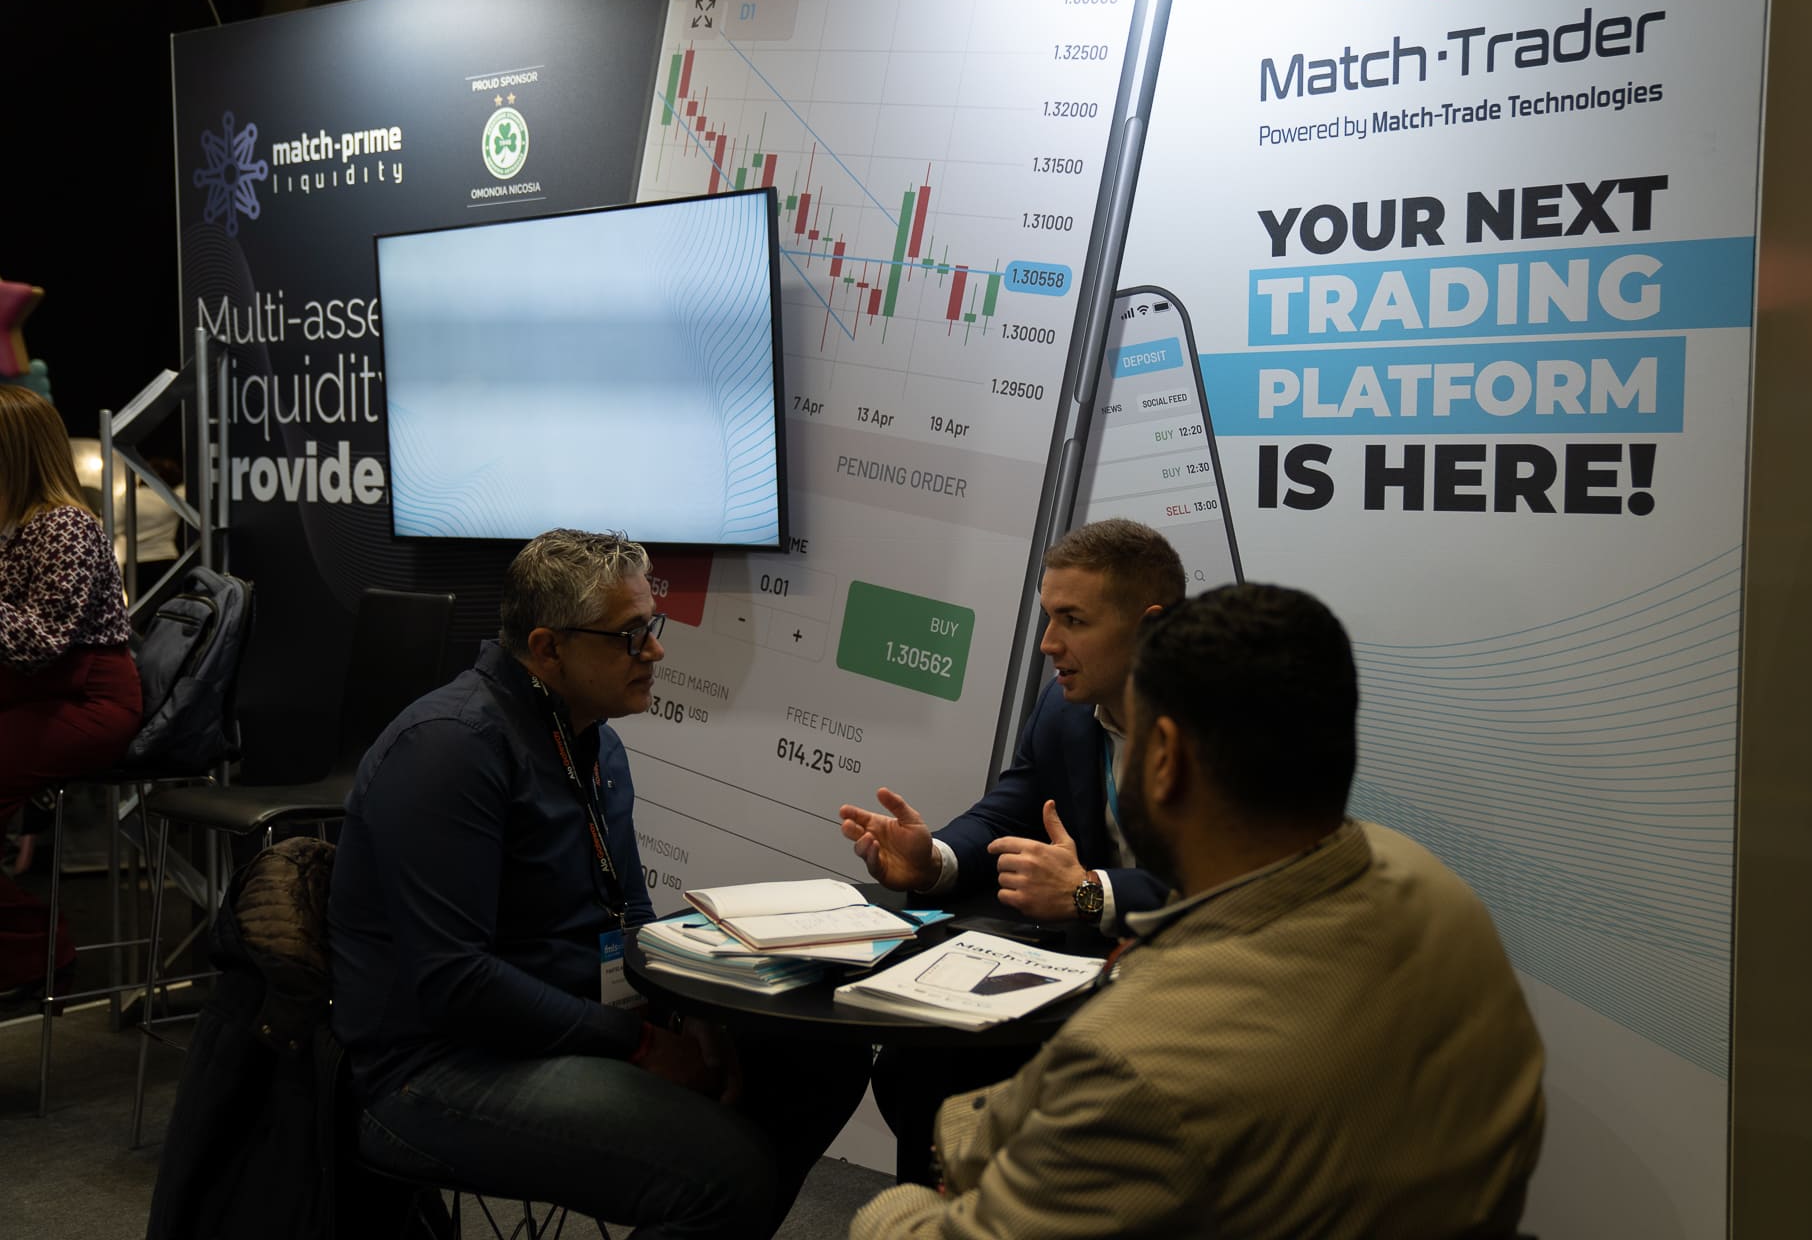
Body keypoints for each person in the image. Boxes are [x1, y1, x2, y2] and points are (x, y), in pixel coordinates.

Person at [851, 584, 1548, 1239]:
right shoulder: (1440, 893)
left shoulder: (1138, 1063)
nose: (1051, 642)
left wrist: (901, 1202)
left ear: (1165, 760)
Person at [328, 528, 868, 1238]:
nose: (655, 652)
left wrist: (692, 1009)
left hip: (562, 1026)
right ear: (548, 648)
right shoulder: (449, 748)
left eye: (652, 627)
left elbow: (629, 917)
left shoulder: (594, 741)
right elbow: (456, 982)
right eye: (629, 635)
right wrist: (638, 1044)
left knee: (821, 1060)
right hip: (434, 1069)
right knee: (724, 1173)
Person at [839, 518, 1184, 1181]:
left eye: (1073, 621)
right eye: (1049, 617)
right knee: (920, 1062)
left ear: (1151, 627)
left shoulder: (1228, 725)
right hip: (1082, 970)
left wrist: (1090, 893)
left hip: (1186, 989)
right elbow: (1010, 807)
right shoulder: (1064, 705)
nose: (1049, 643)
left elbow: (1237, 883)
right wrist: (932, 860)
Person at [0, 383, 142, 1001]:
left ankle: (39, 954)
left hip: (86, 701)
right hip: (35, 693)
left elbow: (39, 641)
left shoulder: (65, 527)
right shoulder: (13, 525)